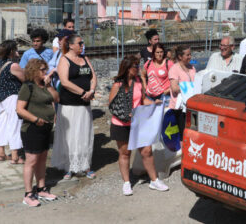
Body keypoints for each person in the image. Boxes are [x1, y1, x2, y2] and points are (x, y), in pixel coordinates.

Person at [109, 56, 169, 196]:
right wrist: (125, 114)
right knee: (125, 153)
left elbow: (142, 100)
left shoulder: (138, 82)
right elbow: (112, 105)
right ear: (127, 67)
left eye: (138, 65)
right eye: (135, 66)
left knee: (147, 151)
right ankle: (126, 182)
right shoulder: (117, 85)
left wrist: (154, 104)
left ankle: (154, 180)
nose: (138, 68)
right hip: (121, 124)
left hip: (137, 122)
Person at [52, 34, 97, 179]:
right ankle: (69, 167)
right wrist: (82, 92)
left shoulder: (85, 59)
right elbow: (64, 81)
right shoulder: (64, 60)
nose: (82, 45)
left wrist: (91, 91)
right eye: (80, 43)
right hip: (69, 105)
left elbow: (93, 77)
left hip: (84, 104)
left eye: (82, 43)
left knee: (84, 134)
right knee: (70, 136)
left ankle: (85, 165)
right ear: (71, 45)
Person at [16, 59, 59, 207]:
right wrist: (36, 120)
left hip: (46, 127)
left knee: (42, 158)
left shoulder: (44, 85)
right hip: (32, 128)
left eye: (45, 69)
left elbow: (56, 98)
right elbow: (20, 109)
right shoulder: (28, 87)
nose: (45, 72)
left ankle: (41, 189)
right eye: (42, 69)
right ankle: (28, 194)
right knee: (32, 160)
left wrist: (49, 86)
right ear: (33, 71)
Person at [0, 40, 26, 164]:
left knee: (2, 124)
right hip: (12, 96)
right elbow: (24, 79)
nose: (18, 52)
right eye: (16, 49)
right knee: (15, 124)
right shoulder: (13, 66)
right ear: (12, 51)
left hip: (0, 96)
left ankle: (1, 153)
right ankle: (15, 156)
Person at [168, 45, 195, 135]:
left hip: (190, 106)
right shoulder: (174, 69)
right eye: (187, 55)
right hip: (179, 107)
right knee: (181, 134)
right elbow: (175, 88)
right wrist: (190, 87)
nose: (190, 57)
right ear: (180, 56)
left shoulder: (192, 68)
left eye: (190, 54)